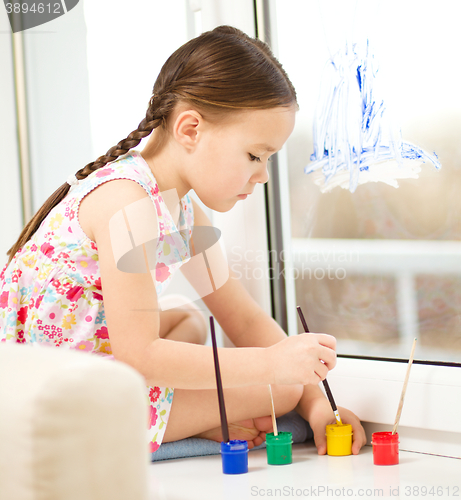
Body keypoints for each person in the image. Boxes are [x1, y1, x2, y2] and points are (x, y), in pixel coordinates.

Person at [0, 25, 366, 455]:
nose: (262, 175)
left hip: (74, 364)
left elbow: (243, 321)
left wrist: (317, 401)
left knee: (187, 319)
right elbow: (140, 356)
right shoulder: (128, 203)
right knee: (278, 391)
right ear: (190, 129)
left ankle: (195, 416)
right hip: (51, 399)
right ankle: (191, 420)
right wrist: (280, 370)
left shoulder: (182, 212)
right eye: (254, 155)